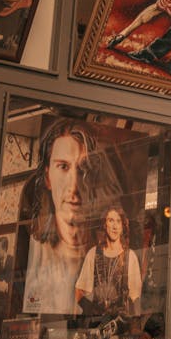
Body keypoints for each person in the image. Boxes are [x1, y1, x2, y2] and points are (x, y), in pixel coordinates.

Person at [22, 118, 122, 315]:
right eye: (63, 167)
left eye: (82, 168)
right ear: (48, 176)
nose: (74, 185)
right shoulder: (33, 253)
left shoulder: (108, 255)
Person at [75, 204, 142, 317]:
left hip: (121, 325)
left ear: (122, 226)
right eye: (111, 220)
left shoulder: (130, 257)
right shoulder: (93, 254)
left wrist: (133, 325)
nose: (114, 226)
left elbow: (135, 299)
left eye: (118, 221)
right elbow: (79, 291)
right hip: (97, 325)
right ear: (104, 224)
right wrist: (92, 314)